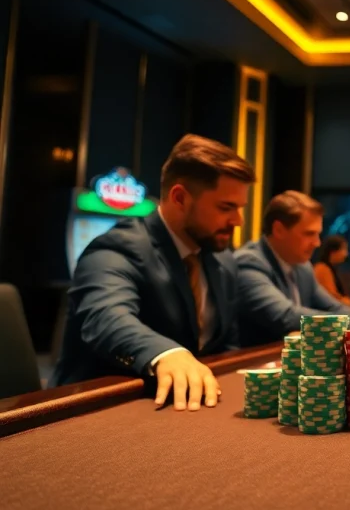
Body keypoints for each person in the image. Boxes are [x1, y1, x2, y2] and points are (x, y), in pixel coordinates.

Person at [52, 134, 256, 412]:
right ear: (180, 197)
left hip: (190, 407)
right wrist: (166, 353)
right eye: (226, 207)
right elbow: (106, 317)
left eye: (240, 208)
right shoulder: (116, 248)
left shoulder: (222, 259)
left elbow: (225, 344)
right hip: (102, 410)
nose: (238, 221)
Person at [234, 191, 350, 348]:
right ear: (279, 230)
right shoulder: (249, 262)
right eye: (309, 234)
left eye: (318, 234)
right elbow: (284, 316)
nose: (317, 243)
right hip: (251, 363)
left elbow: (332, 307)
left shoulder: (303, 266)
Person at [314, 235, 350, 307]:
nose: (346, 254)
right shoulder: (322, 269)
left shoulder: (329, 268)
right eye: (344, 249)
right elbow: (331, 298)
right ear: (333, 252)